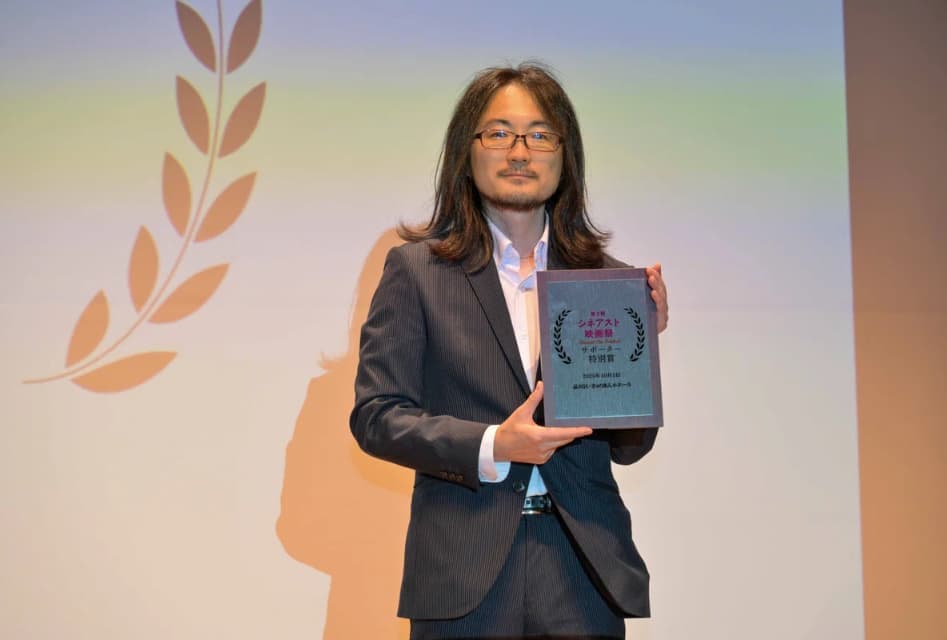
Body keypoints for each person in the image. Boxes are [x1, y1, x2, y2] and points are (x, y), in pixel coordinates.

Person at [350, 62, 669, 640]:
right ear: (466, 151)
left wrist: (640, 350)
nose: (520, 151)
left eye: (540, 135)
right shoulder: (416, 271)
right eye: (499, 133)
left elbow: (630, 447)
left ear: (565, 155)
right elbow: (377, 416)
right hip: (462, 570)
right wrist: (495, 444)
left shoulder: (607, 283)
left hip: (582, 569)